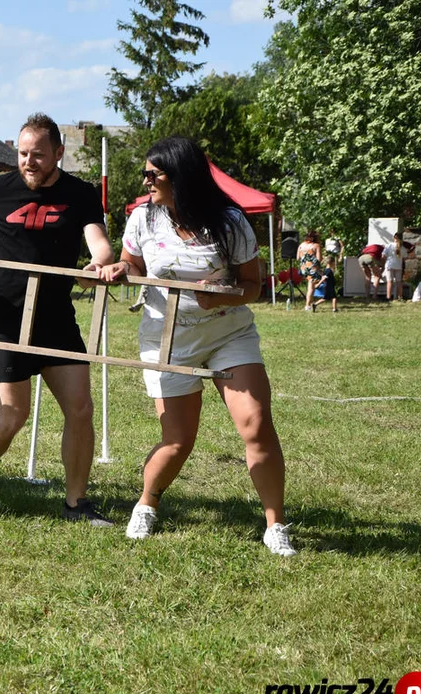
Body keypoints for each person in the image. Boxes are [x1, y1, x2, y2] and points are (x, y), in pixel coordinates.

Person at [100, 135, 295, 557]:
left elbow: (253, 287)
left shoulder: (229, 221)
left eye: (155, 173)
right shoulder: (142, 218)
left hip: (228, 333)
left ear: (181, 175)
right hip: (167, 337)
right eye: (145, 173)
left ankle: (275, 525)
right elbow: (132, 264)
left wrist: (220, 294)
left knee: (257, 425)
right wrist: (119, 267)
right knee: (178, 440)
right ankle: (147, 502)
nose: (146, 180)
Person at [0, 113, 116, 524]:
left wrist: (99, 265)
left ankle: (76, 504)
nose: (28, 162)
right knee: (13, 413)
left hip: (56, 318)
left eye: (37, 154)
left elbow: (99, 245)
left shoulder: (81, 194)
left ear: (58, 153)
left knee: (81, 408)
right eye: (21, 153)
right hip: (7, 316)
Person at [297, 230, 323, 311]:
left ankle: (311, 303)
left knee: (311, 286)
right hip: (312, 268)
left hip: (303, 268)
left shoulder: (301, 245)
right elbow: (319, 259)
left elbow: (298, 258)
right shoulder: (316, 246)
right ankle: (307, 305)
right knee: (311, 288)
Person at [381, 231, 408, 301]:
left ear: (394, 238)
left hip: (389, 265)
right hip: (398, 266)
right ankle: (400, 297)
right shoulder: (403, 248)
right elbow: (405, 258)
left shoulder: (389, 245)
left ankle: (388, 297)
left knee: (389, 281)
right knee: (399, 282)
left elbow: (383, 256)